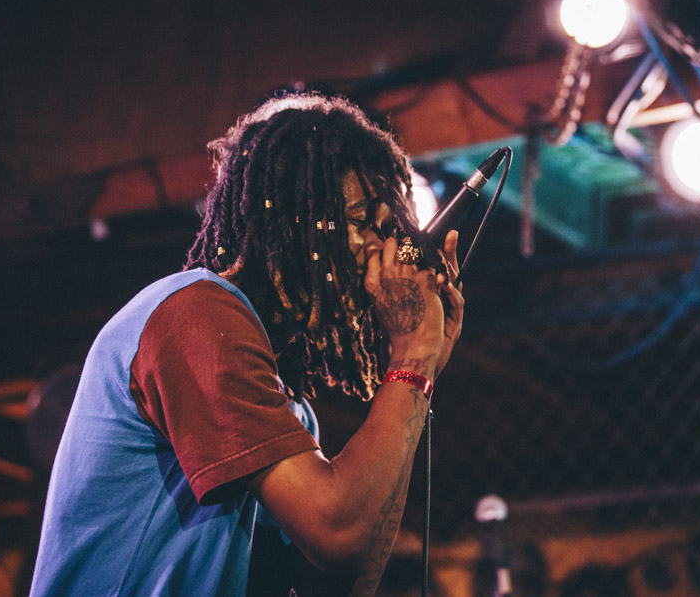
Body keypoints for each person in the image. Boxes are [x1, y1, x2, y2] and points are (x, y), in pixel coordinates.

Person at [29, 93, 464, 595]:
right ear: (293, 218)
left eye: (388, 228)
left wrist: (422, 368)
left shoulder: (290, 408)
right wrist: (410, 356)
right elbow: (337, 532)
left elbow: (347, 573)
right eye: (361, 219)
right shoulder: (195, 316)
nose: (380, 247)